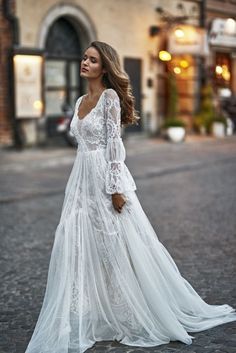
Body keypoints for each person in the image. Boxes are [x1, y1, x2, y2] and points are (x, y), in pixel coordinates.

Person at [25, 41, 236, 353]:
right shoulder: (82, 99)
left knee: (118, 243)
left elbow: (113, 144)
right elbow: (84, 143)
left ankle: (132, 308)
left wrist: (115, 189)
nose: (85, 63)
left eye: (92, 60)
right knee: (82, 239)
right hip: (81, 179)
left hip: (105, 179)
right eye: (84, 57)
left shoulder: (109, 97)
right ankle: (96, 307)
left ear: (104, 67)